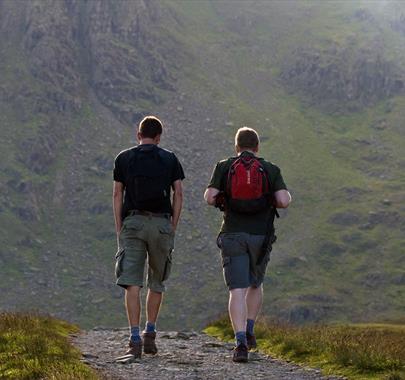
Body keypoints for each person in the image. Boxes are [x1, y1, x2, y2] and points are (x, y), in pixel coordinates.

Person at [204, 127, 291, 363]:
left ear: (236, 147)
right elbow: (283, 201)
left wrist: (225, 198)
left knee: (236, 290)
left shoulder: (224, 166)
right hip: (260, 237)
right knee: (255, 283)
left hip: (232, 234)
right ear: (257, 147)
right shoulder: (270, 169)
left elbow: (209, 197)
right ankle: (250, 328)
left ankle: (240, 341)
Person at [113, 116, 184, 359]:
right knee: (157, 281)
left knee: (132, 282)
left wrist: (119, 226)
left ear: (138, 134)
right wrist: (172, 225)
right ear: (159, 136)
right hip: (161, 223)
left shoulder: (124, 158)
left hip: (132, 222)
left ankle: (134, 339)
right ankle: (150, 333)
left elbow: (117, 194)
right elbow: (179, 193)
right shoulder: (170, 158)